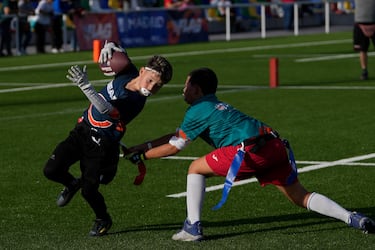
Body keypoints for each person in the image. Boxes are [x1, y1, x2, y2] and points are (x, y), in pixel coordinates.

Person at [125, 67, 375, 241]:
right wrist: (145, 146)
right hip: (274, 145)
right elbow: (177, 133)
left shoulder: (198, 110)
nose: (184, 89)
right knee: (300, 196)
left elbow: (176, 145)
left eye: (188, 84)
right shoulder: (212, 104)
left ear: (198, 90)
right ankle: (351, 217)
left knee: (194, 167)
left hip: (248, 151)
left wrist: (144, 157)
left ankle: (192, 228)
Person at [43, 42, 173, 236]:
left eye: (158, 86)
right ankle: (71, 184)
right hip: (83, 130)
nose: (152, 88)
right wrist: (109, 45)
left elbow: (105, 109)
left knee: (89, 191)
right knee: (51, 170)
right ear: (142, 71)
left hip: (101, 145)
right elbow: (119, 48)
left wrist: (86, 86)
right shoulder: (127, 70)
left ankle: (103, 218)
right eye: (151, 81)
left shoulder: (135, 101)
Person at [353, 0, 375, 80]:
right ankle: (364, 71)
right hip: (360, 20)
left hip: (373, 20)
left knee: (363, 50)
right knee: (362, 49)